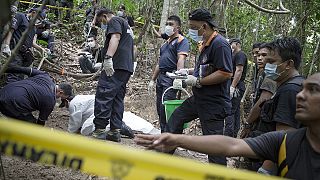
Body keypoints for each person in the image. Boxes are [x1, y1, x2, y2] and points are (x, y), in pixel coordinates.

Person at [135, 72, 320, 179]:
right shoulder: (287, 142)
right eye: (303, 89)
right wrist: (176, 139)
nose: (300, 95)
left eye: (313, 90)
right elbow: (231, 145)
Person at [163, 8, 232, 165]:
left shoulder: (219, 45)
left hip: (214, 103)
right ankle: (164, 157)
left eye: (193, 27)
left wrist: (198, 81)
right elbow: (206, 69)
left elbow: (225, 73)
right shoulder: (205, 44)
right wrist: (186, 72)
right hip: (199, 98)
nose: (191, 31)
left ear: (204, 26)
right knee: (175, 120)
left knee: (213, 145)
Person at [91, 8, 134, 142]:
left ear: (104, 16)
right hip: (126, 67)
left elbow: (115, 37)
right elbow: (133, 48)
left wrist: (108, 57)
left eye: (101, 21)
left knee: (104, 93)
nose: (102, 24)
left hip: (115, 65)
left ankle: (100, 130)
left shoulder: (115, 20)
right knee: (117, 98)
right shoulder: (127, 25)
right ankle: (115, 131)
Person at [148, 15, 189, 132]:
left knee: (166, 108)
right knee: (159, 108)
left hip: (171, 77)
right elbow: (159, 63)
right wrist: (152, 80)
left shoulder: (181, 41)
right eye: (167, 23)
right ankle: (163, 134)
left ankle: (169, 137)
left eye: (171, 24)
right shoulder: (166, 43)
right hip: (161, 77)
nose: (168, 26)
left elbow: (181, 59)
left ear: (177, 27)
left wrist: (178, 77)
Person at [0, 66, 73, 126]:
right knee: (32, 125)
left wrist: (4, 68)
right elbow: (41, 121)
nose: (59, 99)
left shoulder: (44, 75)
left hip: (4, 91)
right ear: (60, 92)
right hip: (10, 104)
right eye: (61, 97)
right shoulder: (50, 101)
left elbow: (23, 69)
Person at [1, 8, 46, 83]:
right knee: (13, 75)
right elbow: (11, 30)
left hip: (25, 54)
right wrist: (6, 45)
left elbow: (31, 42)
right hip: (16, 50)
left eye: (40, 20)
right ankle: (8, 92)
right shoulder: (20, 16)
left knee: (21, 76)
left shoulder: (33, 26)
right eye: (38, 18)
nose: (38, 21)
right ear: (33, 13)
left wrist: (40, 49)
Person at [66, 94, 134, 138]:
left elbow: (75, 121)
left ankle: (114, 127)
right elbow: (84, 117)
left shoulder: (73, 104)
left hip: (101, 111)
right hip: (105, 109)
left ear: (67, 101)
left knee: (85, 131)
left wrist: (70, 133)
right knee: (88, 127)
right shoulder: (81, 98)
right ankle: (115, 126)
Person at [225, 38, 247, 137]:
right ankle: (233, 135)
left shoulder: (240, 54)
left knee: (230, 111)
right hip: (234, 84)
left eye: (231, 43)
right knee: (235, 111)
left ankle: (228, 137)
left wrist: (232, 87)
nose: (230, 45)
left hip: (237, 86)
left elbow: (239, 71)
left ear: (237, 44)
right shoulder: (233, 54)